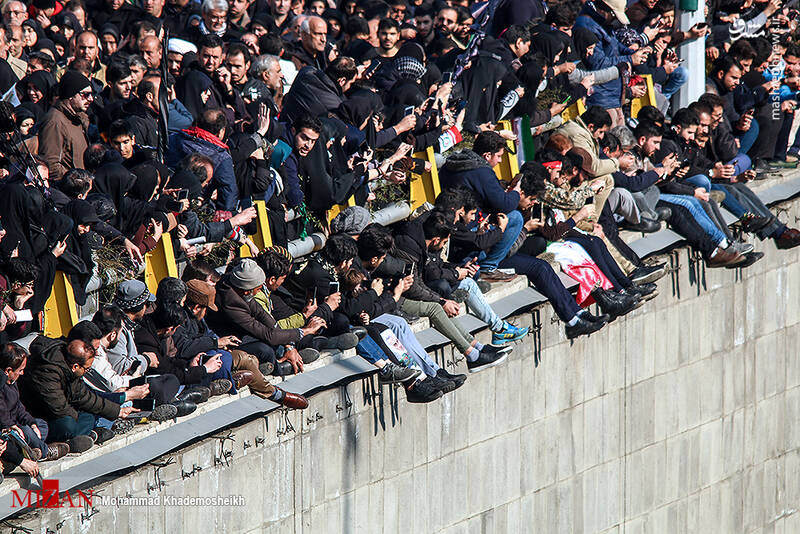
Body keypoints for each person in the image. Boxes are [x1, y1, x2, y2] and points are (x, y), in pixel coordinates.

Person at [0, 343, 69, 461]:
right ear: (8, 371)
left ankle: (33, 451)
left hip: (16, 424)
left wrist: (31, 422)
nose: (22, 373)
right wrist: (13, 427)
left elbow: (19, 408)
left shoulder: (12, 383)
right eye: (20, 370)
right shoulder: (2, 389)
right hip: (8, 431)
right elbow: (3, 417)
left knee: (40, 425)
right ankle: (45, 452)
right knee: (26, 432)